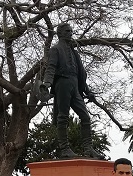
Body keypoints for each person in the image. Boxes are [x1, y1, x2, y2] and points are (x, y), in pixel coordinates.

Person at [40, 22, 99, 159]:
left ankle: (88, 148)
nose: (70, 33)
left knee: (85, 117)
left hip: (75, 85)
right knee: (63, 116)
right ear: (60, 33)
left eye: (71, 31)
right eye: (67, 31)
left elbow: (81, 74)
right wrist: (46, 84)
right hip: (63, 83)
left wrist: (87, 91)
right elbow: (51, 68)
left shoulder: (74, 52)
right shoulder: (55, 49)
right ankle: (64, 148)